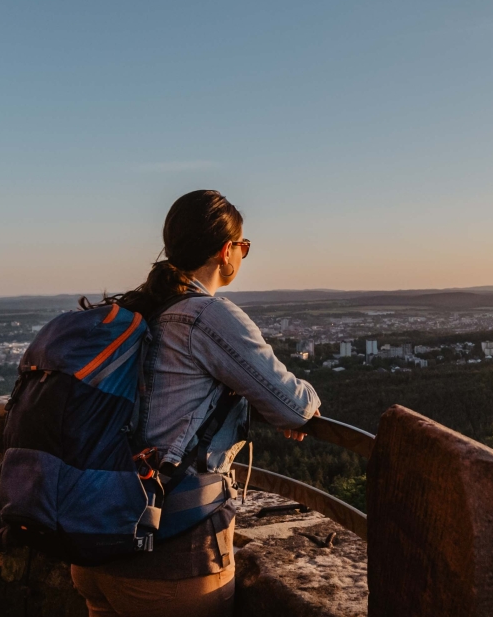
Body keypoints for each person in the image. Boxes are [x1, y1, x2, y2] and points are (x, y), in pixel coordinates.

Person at [68, 189, 322, 617]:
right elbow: (293, 406)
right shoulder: (208, 315)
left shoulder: (139, 309)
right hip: (171, 559)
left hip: (96, 548)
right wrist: (307, 401)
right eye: (244, 246)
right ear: (227, 251)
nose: (243, 254)